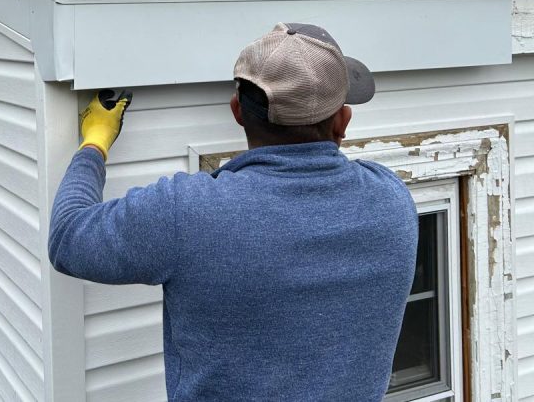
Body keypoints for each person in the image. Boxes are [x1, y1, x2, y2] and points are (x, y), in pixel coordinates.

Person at [48, 22, 418, 401]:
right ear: (343, 122)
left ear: (238, 111)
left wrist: (94, 144)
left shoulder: (188, 212)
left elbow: (67, 238)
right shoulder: (394, 202)